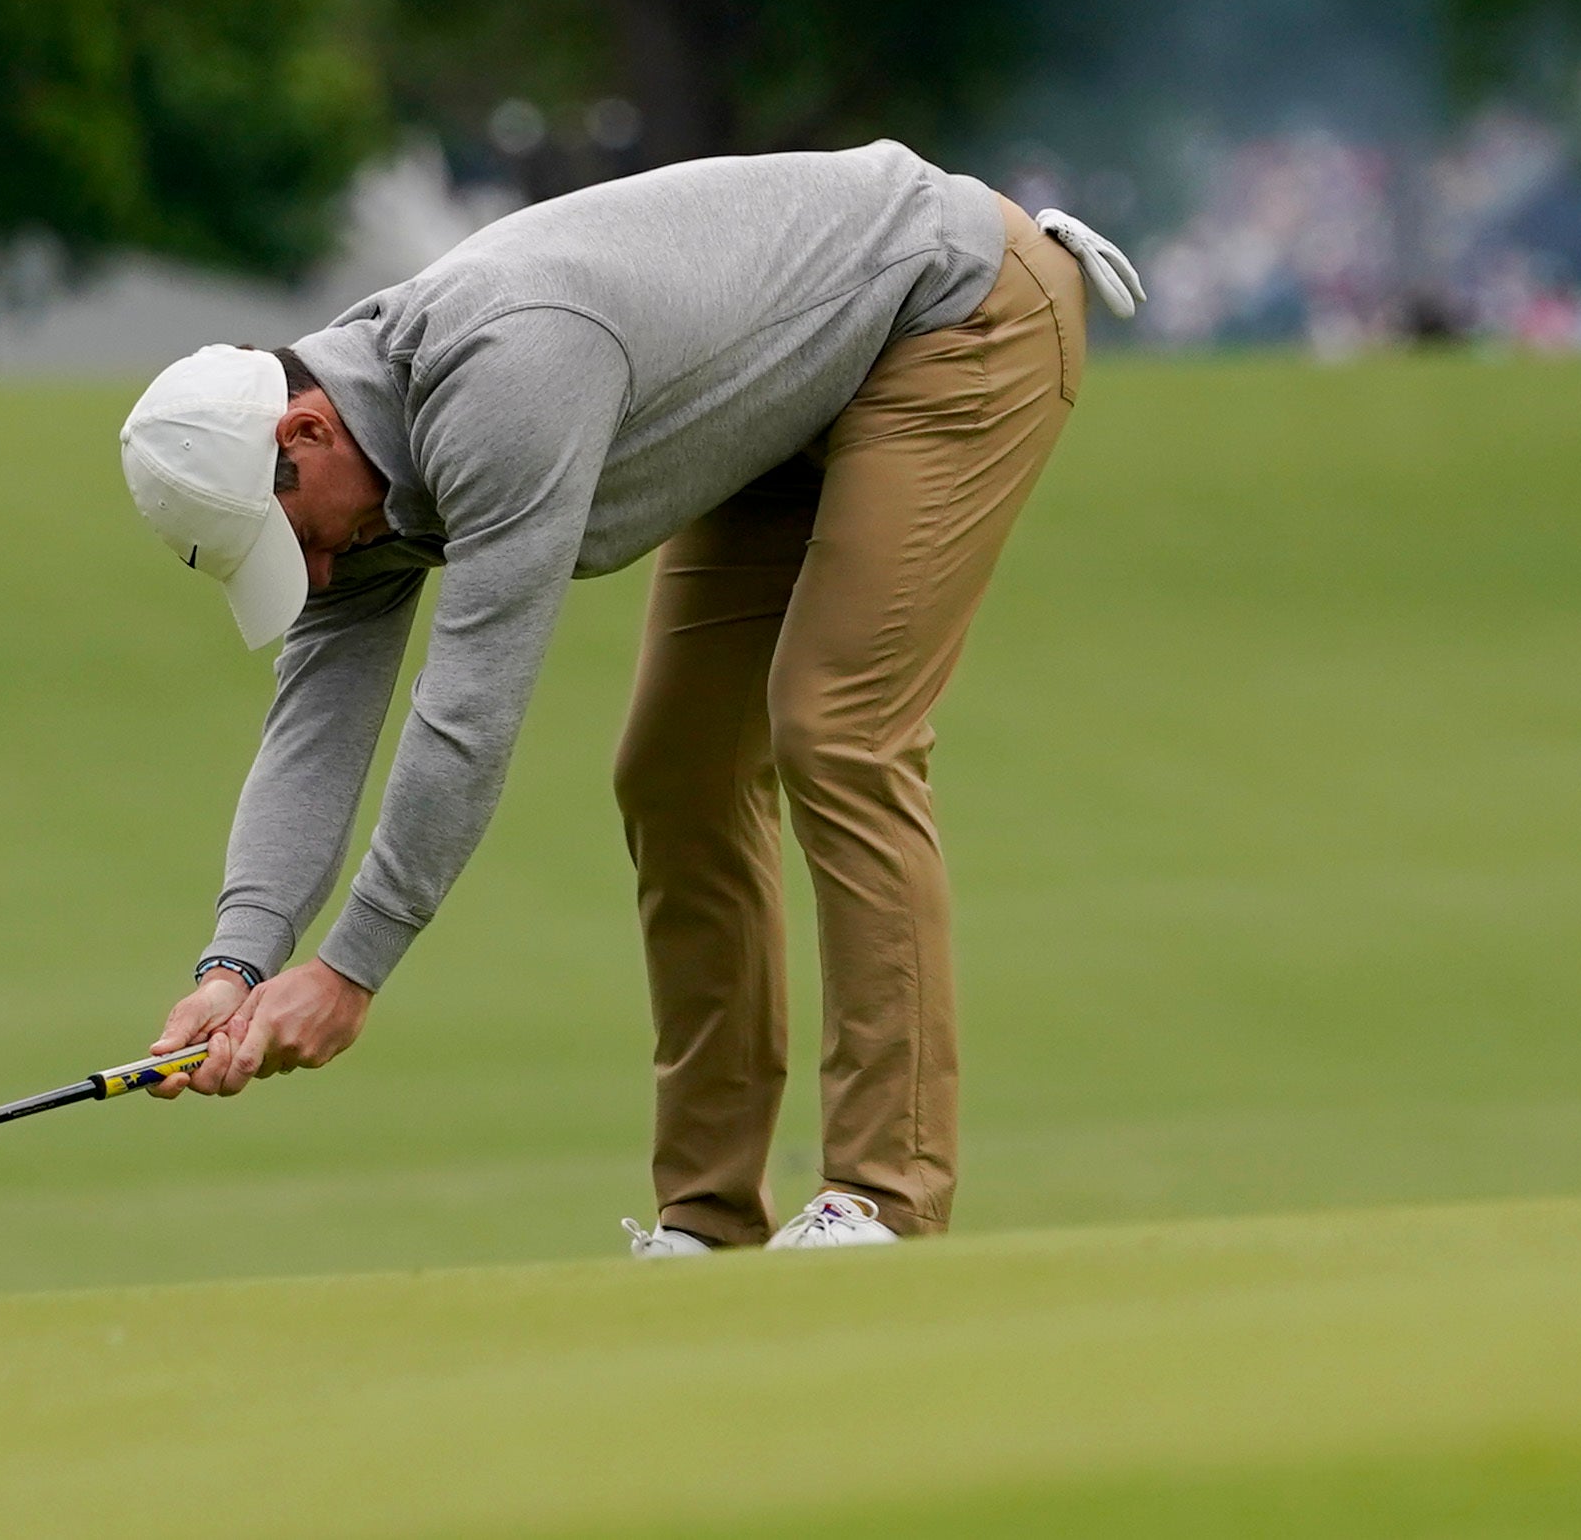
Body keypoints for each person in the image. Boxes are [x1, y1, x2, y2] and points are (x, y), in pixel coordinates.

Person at [116, 142, 1141, 1253]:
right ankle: (710, 1221)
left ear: (304, 432)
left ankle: (882, 1198)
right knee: (676, 770)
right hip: (793, 393)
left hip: (956, 311)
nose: (314, 575)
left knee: (837, 724)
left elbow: (467, 713)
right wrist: (237, 963)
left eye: (296, 540)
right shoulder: (350, 470)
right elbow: (315, 724)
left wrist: (353, 966)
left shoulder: (505, 372)